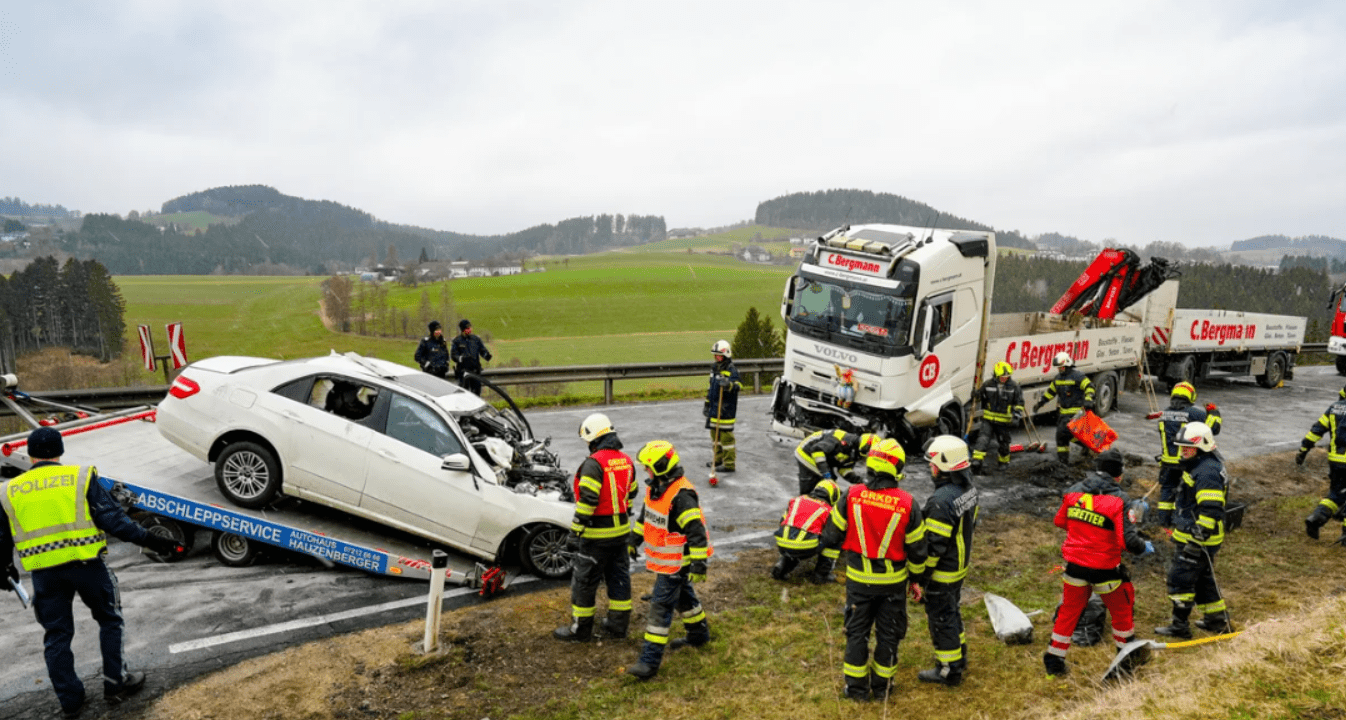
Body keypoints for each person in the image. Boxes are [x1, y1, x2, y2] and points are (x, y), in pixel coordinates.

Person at [0, 428, 180, 719]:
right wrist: (151, 538)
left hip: (45, 575)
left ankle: (70, 700)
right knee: (110, 620)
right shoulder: (79, 477)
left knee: (56, 635)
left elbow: (1, 537)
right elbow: (113, 520)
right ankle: (115, 683)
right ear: (59, 451)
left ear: (30, 454)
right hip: (88, 567)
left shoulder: (8, 490)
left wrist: (4, 567)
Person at [821, 438, 927, 702]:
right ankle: (882, 689)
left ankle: (856, 691)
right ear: (896, 469)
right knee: (888, 635)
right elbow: (918, 552)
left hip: (858, 584)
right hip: (893, 585)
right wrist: (916, 580)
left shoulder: (852, 495)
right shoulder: (908, 503)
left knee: (856, 634)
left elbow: (831, 536)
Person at [1043, 449, 1155, 677]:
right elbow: (1127, 541)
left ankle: (1054, 659)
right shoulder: (1119, 500)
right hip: (1105, 569)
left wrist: (1083, 531)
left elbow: (1059, 521)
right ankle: (1125, 658)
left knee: (1068, 613)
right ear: (1119, 475)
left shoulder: (1074, 493)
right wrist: (1144, 547)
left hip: (1075, 566)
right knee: (1122, 611)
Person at [626, 440, 713, 680]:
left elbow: (696, 532)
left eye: (648, 467)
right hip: (668, 562)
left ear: (661, 466)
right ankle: (698, 635)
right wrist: (634, 539)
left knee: (660, 608)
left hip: (677, 562)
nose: (645, 471)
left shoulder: (682, 496)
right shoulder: (656, 488)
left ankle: (649, 662)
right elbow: (647, 518)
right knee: (684, 597)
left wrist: (698, 564)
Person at [554, 413, 637, 642]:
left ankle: (580, 631)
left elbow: (588, 502)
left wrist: (574, 533)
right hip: (620, 535)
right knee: (619, 579)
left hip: (595, 538)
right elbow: (631, 494)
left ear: (593, 438)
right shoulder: (626, 460)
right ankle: (618, 626)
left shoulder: (593, 464)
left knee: (585, 583)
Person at [1155, 422, 1233, 639]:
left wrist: (1195, 542)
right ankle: (1217, 621)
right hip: (1198, 535)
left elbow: (1210, 509)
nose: (1183, 451)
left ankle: (1179, 626)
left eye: (1187, 448)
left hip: (1198, 537)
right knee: (1203, 580)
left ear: (1203, 446)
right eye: (1181, 447)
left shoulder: (1207, 471)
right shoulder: (1204, 464)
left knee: (1180, 579)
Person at [916, 435, 979, 687]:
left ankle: (948, 669)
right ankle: (959, 654)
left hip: (943, 571)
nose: (930, 469)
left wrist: (921, 576)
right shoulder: (968, 489)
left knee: (941, 617)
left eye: (933, 464)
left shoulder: (941, 501)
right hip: (959, 566)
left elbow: (934, 547)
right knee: (952, 611)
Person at [1155, 382, 1223, 527]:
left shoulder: (1164, 413)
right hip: (1184, 461)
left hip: (1167, 462)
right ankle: (1180, 521)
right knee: (1184, 492)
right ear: (1190, 396)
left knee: (1167, 491)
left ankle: (1163, 522)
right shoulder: (1195, 413)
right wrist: (1214, 413)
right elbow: (1213, 429)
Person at [1296, 384, 1346, 541]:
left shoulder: (1334, 408)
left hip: (1335, 460)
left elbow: (1317, 429)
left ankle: (1316, 518)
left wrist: (1304, 449)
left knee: (1336, 494)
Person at [770, 479, 842, 584]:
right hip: (805, 546)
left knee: (794, 541)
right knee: (835, 539)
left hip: (782, 543)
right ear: (833, 496)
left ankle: (782, 565)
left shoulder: (797, 500)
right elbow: (831, 534)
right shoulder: (828, 510)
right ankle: (821, 575)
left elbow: (782, 521)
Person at [1032, 352, 1096, 465]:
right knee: (1064, 437)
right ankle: (1070, 457)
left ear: (1067, 365)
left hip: (1077, 412)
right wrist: (1040, 403)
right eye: (1058, 368)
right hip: (1063, 412)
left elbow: (1089, 387)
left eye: (1061, 367)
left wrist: (1089, 400)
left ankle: (1064, 461)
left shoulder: (1078, 376)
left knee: (1062, 434)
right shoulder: (1058, 378)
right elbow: (1050, 392)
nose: (1060, 369)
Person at [971, 361, 1025, 475]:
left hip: (1004, 421)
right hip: (988, 420)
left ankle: (1003, 462)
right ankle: (977, 462)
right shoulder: (987, 384)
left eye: (1007, 376)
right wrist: (976, 395)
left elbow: (1019, 403)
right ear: (996, 375)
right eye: (1002, 376)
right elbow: (981, 396)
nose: (1004, 378)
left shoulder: (1014, 387)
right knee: (983, 439)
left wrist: (1016, 415)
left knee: (1004, 442)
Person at [794, 430, 879, 496]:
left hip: (824, 457)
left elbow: (844, 469)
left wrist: (859, 481)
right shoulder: (839, 439)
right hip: (806, 452)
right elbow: (817, 450)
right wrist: (826, 474)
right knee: (820, 484)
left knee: (830, 484)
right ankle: (804, 503)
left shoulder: (856, 451)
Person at [704, 340, 741, 473]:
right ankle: (717, 459)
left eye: (718, 355)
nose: (716, 358)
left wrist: (728, 385)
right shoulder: (714, 368)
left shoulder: (731, 369)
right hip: (714, 407)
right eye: (715, 355)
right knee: (715, 436)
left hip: (726, 408)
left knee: (726, 438)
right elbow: (710, 387)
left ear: (725, 354)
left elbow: (738, 386)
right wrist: (707, 404)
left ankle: (729, 464)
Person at [450, 318, 493, 395]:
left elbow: (482, 350)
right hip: (463, 373)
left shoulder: (476, 339)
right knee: (464, 395)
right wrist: (461, 358)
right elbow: (453, 355)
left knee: (476, 394)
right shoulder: (457, 341)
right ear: (462, 330)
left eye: (470, 328)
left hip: (475, 371)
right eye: (467, 328)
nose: (469, 330)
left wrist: (487, 356)